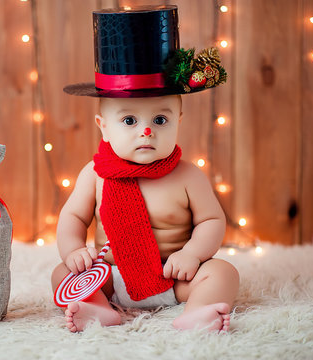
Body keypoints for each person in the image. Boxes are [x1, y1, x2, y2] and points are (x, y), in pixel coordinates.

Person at [51, 6, 239, 333]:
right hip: (109, 274)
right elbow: (73, 218)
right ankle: (96, 307)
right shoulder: (94, 174)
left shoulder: (188, 175)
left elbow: (212, 220)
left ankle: (197, 311)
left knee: (224, 272)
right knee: (60, 275)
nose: (146, 131)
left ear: (178, 122)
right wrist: (74, 250)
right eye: (129, 120)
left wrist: (193, 254)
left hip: (174, 275)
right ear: (103, 127)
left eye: (160, 120)